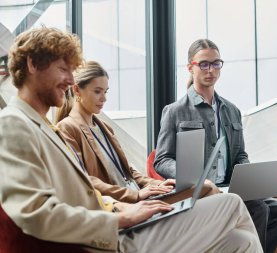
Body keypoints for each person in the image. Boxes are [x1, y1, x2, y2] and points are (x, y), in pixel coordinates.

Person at [0, 27, 263, 253]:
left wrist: (123, 208)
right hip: (111, 240)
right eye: (63, 69)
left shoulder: (44, 126)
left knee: (240, 241)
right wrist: (120, 219)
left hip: (121, 221)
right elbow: (35, 213)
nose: (70, 81)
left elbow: (82, 193)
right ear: (33, 64)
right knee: (231, 202)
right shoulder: (14, 124)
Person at [154, 38, 277, 253]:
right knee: (258, 208)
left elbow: (240, 155)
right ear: (190, 67)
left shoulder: (231, 110)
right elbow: (161, 160)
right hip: (200, 190)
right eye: (204, 64)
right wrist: (194, 178)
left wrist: (247, 177)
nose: (211, 70)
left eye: (216, 63)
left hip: (231, 187)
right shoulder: (175, 111)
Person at [55, 60, 219, 204]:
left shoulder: (104, 127)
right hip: (125, 203)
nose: (104, 99)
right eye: (97, 91)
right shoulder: (68, 128)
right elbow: (84, 180)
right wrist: (135, 195)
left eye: (105, 92)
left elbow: (128, 171)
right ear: (77, 90)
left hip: (138, 195)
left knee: (210, 190)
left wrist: (156, 184)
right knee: (208, 189)